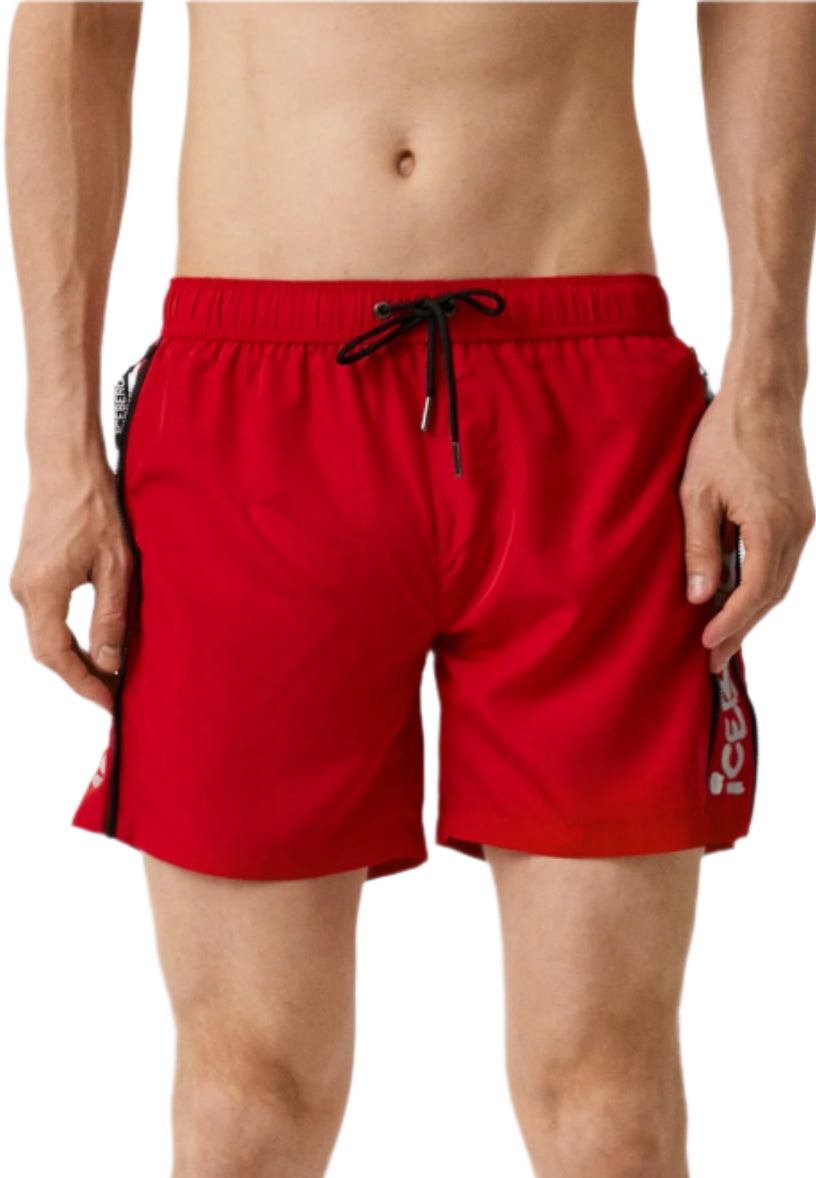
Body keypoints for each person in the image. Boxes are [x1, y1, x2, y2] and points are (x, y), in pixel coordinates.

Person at [7, 3, 815, 1176]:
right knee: (244, 1103)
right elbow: (77, 23)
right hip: (254, 407)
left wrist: (768, 390)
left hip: (584, 397)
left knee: (608, 1103)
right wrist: (58, 449)